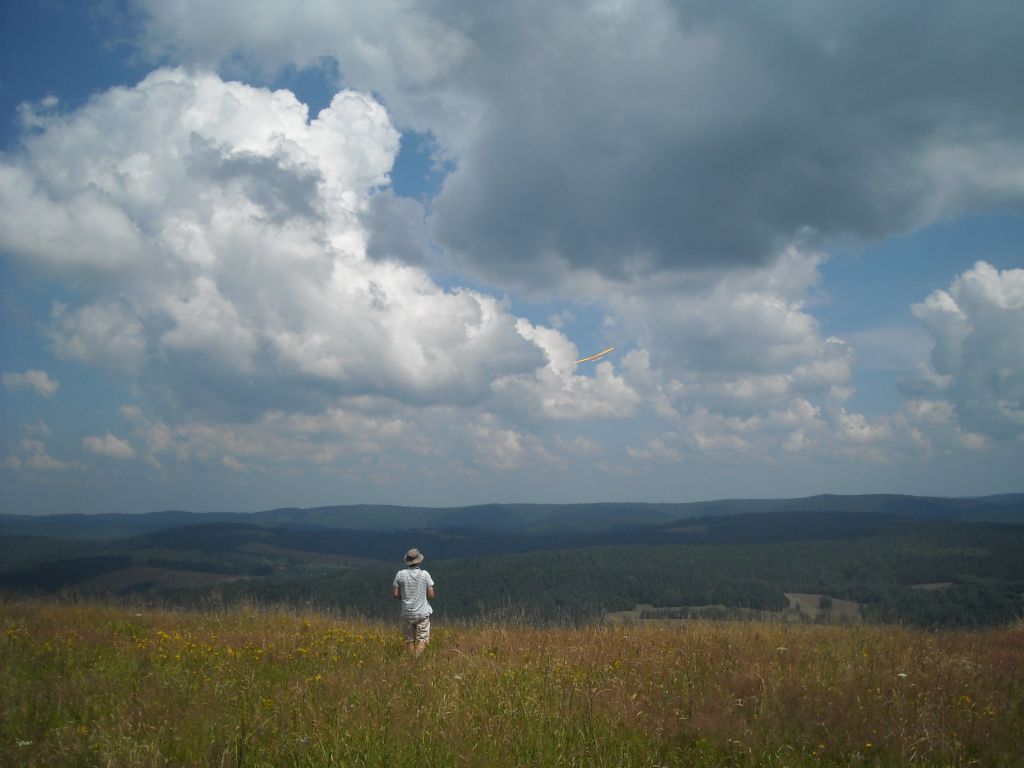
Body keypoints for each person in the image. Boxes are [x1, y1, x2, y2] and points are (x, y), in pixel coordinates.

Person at [392, 548, 435, 657]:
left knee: (410, 640)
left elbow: (395, 594)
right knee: (422, 639)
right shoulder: (425, 574)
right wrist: (421, 596)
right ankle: (416, 660)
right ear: (419, 561)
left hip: (407, 612)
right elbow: (431, 595)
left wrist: (406, 597)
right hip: (422, 613)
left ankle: (411, 660)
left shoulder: (400, 574)